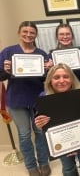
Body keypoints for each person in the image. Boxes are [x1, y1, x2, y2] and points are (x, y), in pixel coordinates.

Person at [0, 21, 52, 176]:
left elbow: (45, 80)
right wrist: (6, 70)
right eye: (25, 31)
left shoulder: (42, 54)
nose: (28, 35)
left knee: (40, 132)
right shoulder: (8, 52)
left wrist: (47, 71)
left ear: (35, 34)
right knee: (24, 135)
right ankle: (31, 166)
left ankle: (43, 162)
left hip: (38, 99)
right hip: (16, 100)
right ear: (19, 33)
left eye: (32, 32)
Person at [34, 63, 80, 176]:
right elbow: (38, 119)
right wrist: (39, 123)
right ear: (50, 80)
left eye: (66, 76)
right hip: (59, 138)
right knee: (68, 167)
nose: (62, 80)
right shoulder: (44, 97)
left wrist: (77, 142)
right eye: (56, 77)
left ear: (72, 79)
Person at [50, 23, 80, 88]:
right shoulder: (51, 56)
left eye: (68, 34)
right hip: (62, 91)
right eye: (61, 34)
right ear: (57, 37)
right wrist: (51, 69)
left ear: (72, 36)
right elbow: (49, 81)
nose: (65, 37)